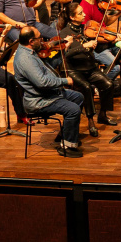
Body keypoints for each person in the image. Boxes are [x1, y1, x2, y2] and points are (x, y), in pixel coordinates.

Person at [14, 26, 84, 158]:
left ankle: (66, 135)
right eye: (39, 38)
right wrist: (64, 81)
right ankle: (67, 147)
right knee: (73, 110)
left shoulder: (31, 51)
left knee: (78, 97)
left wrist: (64, 49)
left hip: (48, 94)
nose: (43, 40)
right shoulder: (25, 59)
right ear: (31, 41)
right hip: (39, 101)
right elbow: (42, 82)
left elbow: (50, 66)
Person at [58, 3, 116, 137]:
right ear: (72, 17)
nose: (84, 15)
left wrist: (110, 40)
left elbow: (97, 44)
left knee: (109, 84)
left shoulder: (85, 29)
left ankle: (102, 114)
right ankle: (90, 121)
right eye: (80, 13)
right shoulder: (65, 33)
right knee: (87, 87)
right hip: (75, 70)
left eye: (83, 12)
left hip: (90, 67)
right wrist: (84, 46)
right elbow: (66, 54)